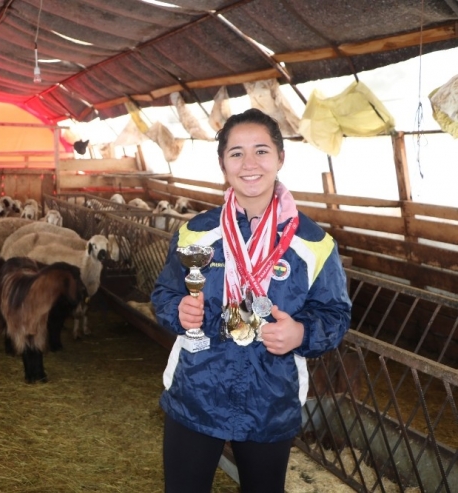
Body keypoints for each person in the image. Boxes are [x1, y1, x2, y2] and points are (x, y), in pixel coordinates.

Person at [151, 108, 352, 493]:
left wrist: (301, 333)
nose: (249, 164)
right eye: (236, 153)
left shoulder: (313, 243)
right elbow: (164, 292)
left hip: (271, 396)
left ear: (280, 157)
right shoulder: (196, 233)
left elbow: (335, 313)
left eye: (261, 151)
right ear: (223, 164)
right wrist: (176, 310)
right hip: (196, 391)